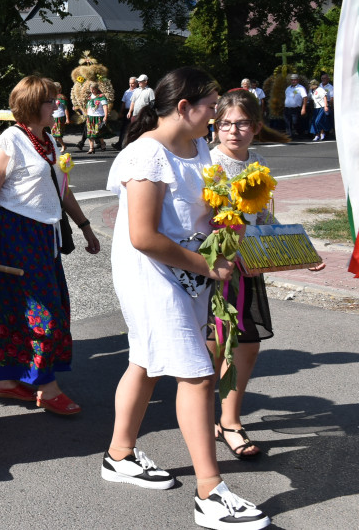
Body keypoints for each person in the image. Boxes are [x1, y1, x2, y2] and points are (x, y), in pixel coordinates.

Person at [102, 67, 270, 530]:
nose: (216, 117)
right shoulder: (145, 157)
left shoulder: (197, 147)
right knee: (196, 374)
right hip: (152, 276)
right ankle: (211, 492)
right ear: (183, 108)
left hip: (189, 274)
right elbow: (142, 236)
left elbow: (210, 208)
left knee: (145, 363)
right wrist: (207, 266)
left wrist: (237, 244)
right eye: (212, 107)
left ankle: (119, 455)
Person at [207, 89, 325, 462]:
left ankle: (230, 421)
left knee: (245, 345)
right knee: (213, 348)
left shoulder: (257, 162)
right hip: (214, 267)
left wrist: (298, 250)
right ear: (216, 126)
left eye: (241, 123)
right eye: (225, 124)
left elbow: (264, 217)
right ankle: (210, 413)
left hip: (248, 268)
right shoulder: (206, 164)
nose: (233, 131)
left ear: (256, 127)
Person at [0, 76, 100, 417]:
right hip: (14, 235)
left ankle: (6, 381)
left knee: (26, 309)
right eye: (50, 102)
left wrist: (85, 226)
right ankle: (47, 387)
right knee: (43, 312)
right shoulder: (9, 143)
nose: (56, 106)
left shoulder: (49, 142)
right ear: (31, 106)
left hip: (43, 237)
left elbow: (62, 188)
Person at [85, 82, 109, 154]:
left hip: (98, 117)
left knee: (98, 133)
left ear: (96, 89)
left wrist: (105, 116)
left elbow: (105, 106)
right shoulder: (89, 97)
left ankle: (102, 143)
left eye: (93, 89)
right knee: (89, 133)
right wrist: (87, 115)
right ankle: (91, 148)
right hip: (90, 117)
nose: (92, 91)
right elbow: (88, 107)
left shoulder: (101, 97)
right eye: (91, 89)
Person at [283, 73, 307, 140]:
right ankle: (289, 136)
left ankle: (300, 133)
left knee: (295, 122)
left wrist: (304, 107)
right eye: (292, 80)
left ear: (298, 80)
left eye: (295, 80)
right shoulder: (288, 88)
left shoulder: (301, 88)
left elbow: (305, 97)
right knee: (287, 122)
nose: (293, 81)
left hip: (296, 108)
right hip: (287, 108)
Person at [117, 76, 137, 149]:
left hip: (134, 111)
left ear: (136, 83)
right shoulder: (127, 92)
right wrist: (121, 112)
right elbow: (123, 102)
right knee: (123, 128)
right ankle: (120, 143)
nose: (131, 85)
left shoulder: (137, 91)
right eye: (130, 83)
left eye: (132, 83)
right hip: (126, 110)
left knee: (132, 128)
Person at [50, 84, 71, 152]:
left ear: (58, 89)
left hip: (59, 116)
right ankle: (54, 148)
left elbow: (65, 108)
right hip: (53, 116)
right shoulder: (51, 97)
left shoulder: (62, 97)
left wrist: (67, 118)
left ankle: (63, 145)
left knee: (57, 133)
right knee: (53, 134)